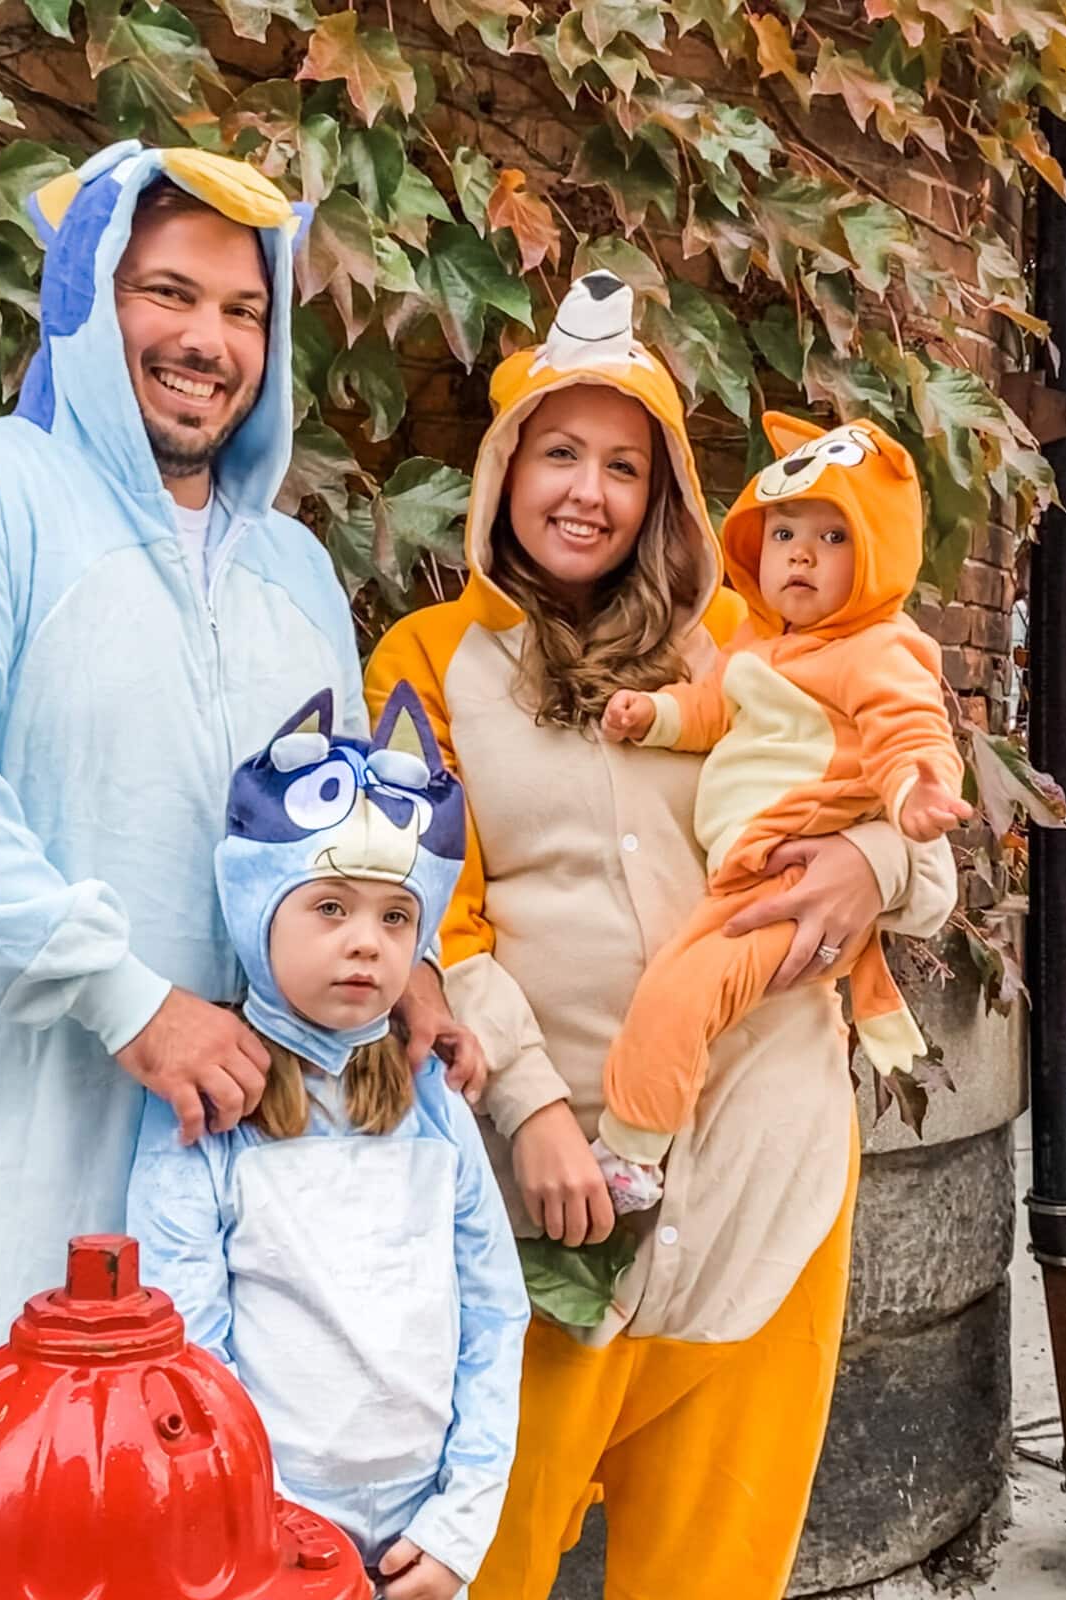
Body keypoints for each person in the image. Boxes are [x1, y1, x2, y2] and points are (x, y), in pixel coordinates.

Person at [365, 270, 958, 1599]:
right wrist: (529, 1113)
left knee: (712, 1575)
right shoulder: (425, 662)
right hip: (559, 1194)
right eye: (557, 453)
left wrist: (870, 863)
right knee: (483, 1561)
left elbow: (921, 844)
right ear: (504, 471)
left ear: (663, 493)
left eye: (622, 465)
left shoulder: (756, 644)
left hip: (769, 1170)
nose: (587, 491)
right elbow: (420, 919)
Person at [0, 140, 477, 1459]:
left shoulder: (294, 569)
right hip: (4, 1149)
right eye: (166, 293)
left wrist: (415, 971)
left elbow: (342, 841)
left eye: (242, 309)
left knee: (208, 1498)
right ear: (83, 297)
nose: (206, 342)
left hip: (239, 1170)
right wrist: (126, 999)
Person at [127, 682, 529, 1600]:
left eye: (395, 918)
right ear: (255, 909)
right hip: (262, 1543)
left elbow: (495, 1315)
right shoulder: (209, 1111)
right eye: (329, 909)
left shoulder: (433, 1104)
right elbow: (188, 1347)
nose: (366, 944)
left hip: (424, 1543)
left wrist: (461, 1526)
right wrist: (255, 1527)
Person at [592, 414, 970, 1208]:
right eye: (785, 530)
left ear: (879, 554)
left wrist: (917, 789)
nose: (800, 553)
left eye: (835, 538)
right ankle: (646, 1135)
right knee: (678, 988)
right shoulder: (758, 650)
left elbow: (906, 728)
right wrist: (654, 716)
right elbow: (712, 712)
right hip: (747, 874)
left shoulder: (875, 648)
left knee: (680, 995)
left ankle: (631, 1150)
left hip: (786, 870)